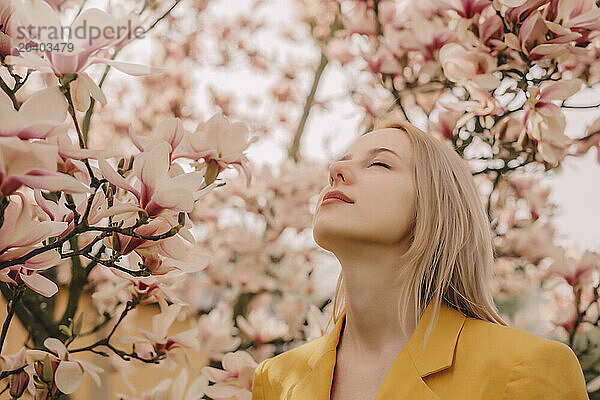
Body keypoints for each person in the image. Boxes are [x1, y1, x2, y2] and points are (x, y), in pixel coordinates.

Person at [251, 119, 589, 400]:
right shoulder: (277, 380)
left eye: (379, 163)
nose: (336, 169)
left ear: (434, 207)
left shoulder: (525, 369)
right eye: (343, 159)